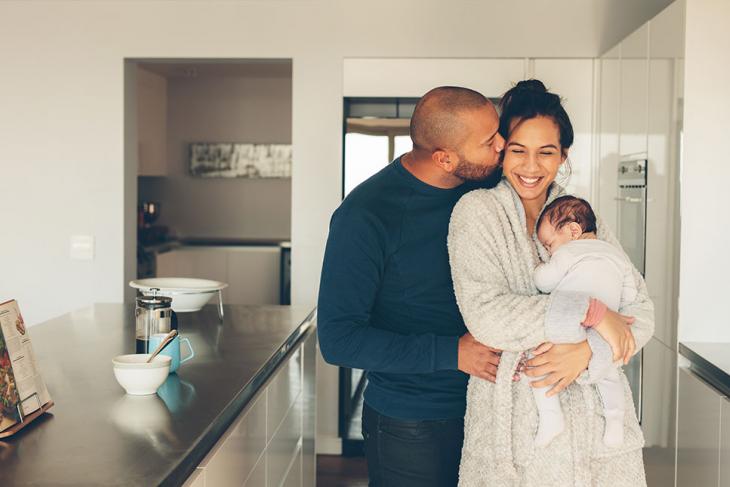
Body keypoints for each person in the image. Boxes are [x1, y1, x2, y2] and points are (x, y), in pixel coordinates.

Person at [448, 79, 653, 486]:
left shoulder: (580, 218)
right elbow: (488, 315)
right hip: (517, 431)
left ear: (563, 156)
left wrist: (588, 350)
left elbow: (641, 313)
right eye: (518, 151)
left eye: (546, 152)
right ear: (501, 150)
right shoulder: (476, 213)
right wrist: (595, 315)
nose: (530, 166)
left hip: (599, 430)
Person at [317, 86, 507, 487]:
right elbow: (338, 340)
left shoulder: (482, 189)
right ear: (444, 157)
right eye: (490, 141)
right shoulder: (364, 216)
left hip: (493, 409)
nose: (502, 146)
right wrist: (452, 352)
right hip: (413, 424)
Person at [532, 195, 637, 447]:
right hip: (605, 330)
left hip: (572, 320)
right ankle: (615, 422)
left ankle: (551, 416)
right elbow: (631, 293)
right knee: (609, 374)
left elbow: (544, 282)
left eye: (549, 244)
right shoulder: (617, 255)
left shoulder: (568, 253)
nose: (549, 251)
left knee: (537, 362)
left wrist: (538, 268)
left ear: (573, 230)